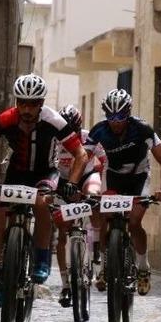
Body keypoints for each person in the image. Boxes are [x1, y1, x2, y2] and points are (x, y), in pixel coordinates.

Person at [0, 74, 88, 306]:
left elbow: (81, 154)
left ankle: (42, 258)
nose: (26, 109)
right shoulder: (5, 120)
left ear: (41, 104)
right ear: (16, 101)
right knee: (2, 213)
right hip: (17, 172)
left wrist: (72, 181)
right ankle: (1, 269)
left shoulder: (54, 120)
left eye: (32, 104)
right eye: (22, 102)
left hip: (45, 172)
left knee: (42, 203)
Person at [84, 89, 161, 296]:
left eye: (121, 116)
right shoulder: (99, 130)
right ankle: (106, 267)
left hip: (139, 177)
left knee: (134, 222)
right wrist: (76, 182)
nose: (116, 121)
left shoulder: (142, 129)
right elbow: (84, 156)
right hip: (113, 176)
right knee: (105, 219)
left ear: (128, 113)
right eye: (111, 117)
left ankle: (143, 268)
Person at [53, 105, 106, 308]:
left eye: (73, 130)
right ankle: (66, 285)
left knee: (94, 196)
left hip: (85, 176)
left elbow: (104, 160)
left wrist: (104, 180)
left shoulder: (87, 137)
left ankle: (97, 252)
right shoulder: (55, 140)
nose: (69, 135)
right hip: (63, 181)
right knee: (61, 232)